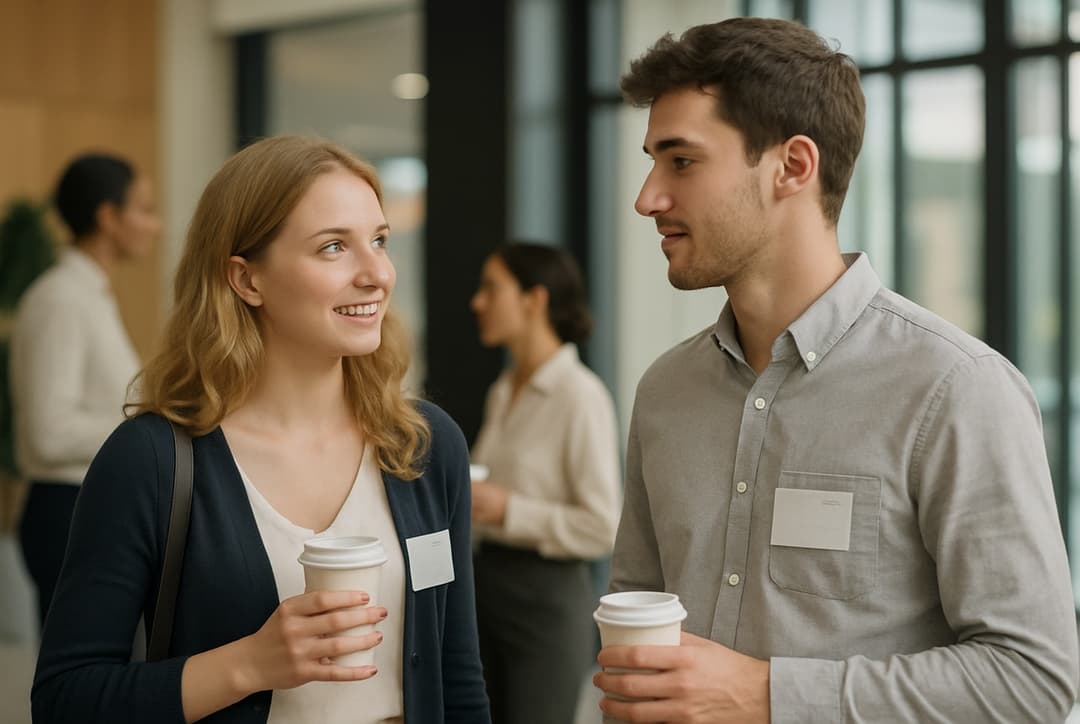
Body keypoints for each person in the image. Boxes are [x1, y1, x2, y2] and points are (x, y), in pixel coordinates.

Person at [594, 17, 1079, 724]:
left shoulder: (956, 389)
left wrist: (763, 694)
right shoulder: (665, 390)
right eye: (652, 162)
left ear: (793, 166)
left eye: (682, 162)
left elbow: (1033, 678)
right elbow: (635, 620)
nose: (647, 198)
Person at [31, 136, 491, 724]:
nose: (378, 273)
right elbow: (64, 700)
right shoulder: (151, 460)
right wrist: (248, 664)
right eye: (333, 247)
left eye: (379, 241)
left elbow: (458, 679)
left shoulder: (424, 445)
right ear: (247, 280)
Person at [469, 242, 621, 724]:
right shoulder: (502, 390)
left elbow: (602, 527)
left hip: (546, 604)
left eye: (491, 288)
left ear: (534, 299)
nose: (477, 301)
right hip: (485, 591)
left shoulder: (581, 396)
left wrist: (508, 510)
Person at [10, 152, 160, 629]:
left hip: (89, 505)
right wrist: (152, 423)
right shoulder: (62, 299)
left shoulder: (89, 295)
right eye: (145, 210)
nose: (155, 225)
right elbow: (48, 434)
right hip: (66, 511)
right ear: (108, 217)